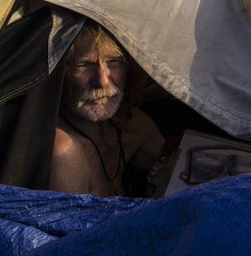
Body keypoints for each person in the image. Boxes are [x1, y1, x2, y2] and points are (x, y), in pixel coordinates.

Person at [50, 21, 165, 196]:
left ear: (129, 68)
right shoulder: (65, 152)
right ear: (61, 74)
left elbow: (184, 167)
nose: (102, 81)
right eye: (83, 65)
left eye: (114, 62)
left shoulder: (131, 123)